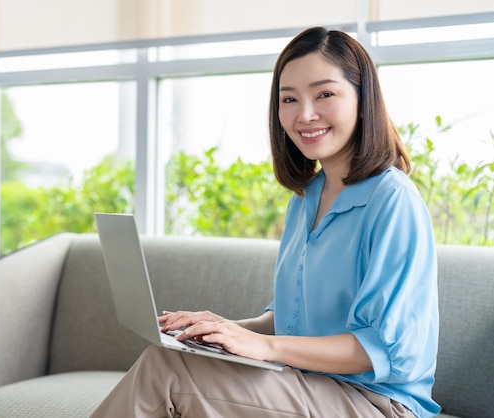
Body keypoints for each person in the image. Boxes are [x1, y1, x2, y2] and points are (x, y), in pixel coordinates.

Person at [89, 26, 440, 418]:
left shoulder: (392, 200)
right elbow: (289, 319)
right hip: (307, 382)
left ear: (363, 100)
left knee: (166, 370)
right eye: (289, 99)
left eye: (325, 94)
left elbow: (385, 348)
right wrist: (222, 330)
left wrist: (266, 348)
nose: (305, 115)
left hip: (376, 403)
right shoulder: (307, 197)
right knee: (166, 356)